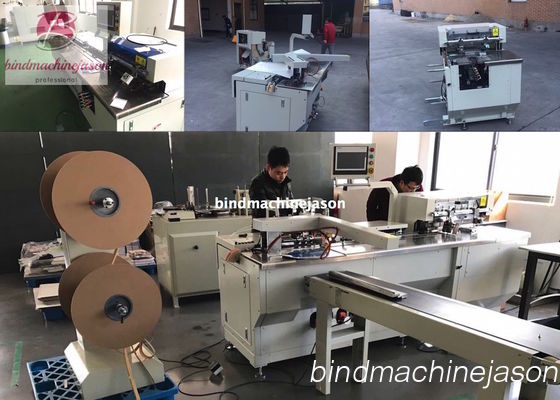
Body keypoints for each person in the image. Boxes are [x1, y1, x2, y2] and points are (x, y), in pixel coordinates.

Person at [249, 146, 294, 218]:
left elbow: (291, 203)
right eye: (278, 173)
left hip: (285, 223)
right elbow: (261, 211)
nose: (283, 177)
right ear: (268, 168)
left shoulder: (286, 182)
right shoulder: (257, 183)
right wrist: (286, 211)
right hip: (266, 224)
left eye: (285, 172)